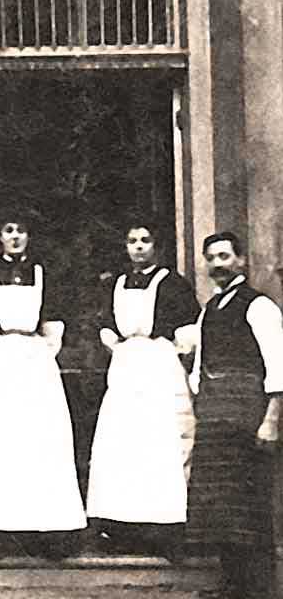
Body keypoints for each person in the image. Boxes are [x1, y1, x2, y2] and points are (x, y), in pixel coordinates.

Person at [0, 205, 86, 550]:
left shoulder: (44, 275)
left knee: (39, 442)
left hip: (36, 364)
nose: (14, 237)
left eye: (20, 231)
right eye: (8, 230)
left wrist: (37, 356)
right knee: (0, 444)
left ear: (29, 236)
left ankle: (44, 531)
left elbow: (54, 330)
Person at [85, 219, 200, 552]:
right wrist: (115, 344)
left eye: (145, 240)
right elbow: (105, 323)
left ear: (156, 246)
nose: (138, 246)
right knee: (124, 444)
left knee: (161, 443)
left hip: (160, 365)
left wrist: (175, 348)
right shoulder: (115, 284)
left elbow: (188, 328)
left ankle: (167, 530)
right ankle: (122, 527)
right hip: (125, 367)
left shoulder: (172, 283)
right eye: (132, 240)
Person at [185, 231, 283, 599]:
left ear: (241, 260)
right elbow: (199, 365)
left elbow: (278, 364)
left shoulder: (259, 306)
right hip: (215, 412)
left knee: (252, 502)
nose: (217, 264)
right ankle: (233, 580)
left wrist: (271, 419)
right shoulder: (210, 308)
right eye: (211, 258)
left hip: (248, 413)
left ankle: (262, 590)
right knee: (221, 503)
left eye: (225, 256)